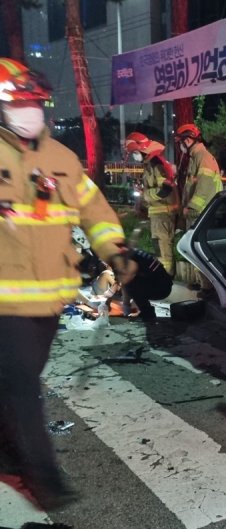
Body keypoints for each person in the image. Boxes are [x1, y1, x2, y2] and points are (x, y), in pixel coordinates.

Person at [0, 58, 135, 508]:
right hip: (4, 303)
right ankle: (44, 479)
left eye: (35, 102)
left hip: (51, 300)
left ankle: (7, 448)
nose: (30, 111)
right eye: (19, 103)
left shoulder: (61, 159)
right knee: (23, 389)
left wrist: (115, 249)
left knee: (17, 383)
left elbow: (94, 211)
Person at [174, 123, 222, 296]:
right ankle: (204, 285)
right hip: (199, 214)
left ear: (188, 140)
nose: (179, 146)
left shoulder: (202, 157)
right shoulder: (197, 157)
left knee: (200, 251)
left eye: (180, 142)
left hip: (200, 214)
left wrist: (191, 208)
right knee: (196, 252)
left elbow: (204, 189)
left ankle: (208, 288)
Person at [124, 132, 179, 275]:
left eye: (135, 152)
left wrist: (145, 194)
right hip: (158, 214)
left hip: (163, 213)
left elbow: (165, 189)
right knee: (159, 247)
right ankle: (164, 276)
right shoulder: (151, 164)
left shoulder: (156, 164)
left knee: (163, 247)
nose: (135, 156)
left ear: (142, 149)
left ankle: (166, 278)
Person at [123, 248, 174, 322]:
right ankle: (146, 313)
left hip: (161, 288)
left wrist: (126, 309)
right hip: (164, 285)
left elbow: (126, 283)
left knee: (131, 284)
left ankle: (147, 314)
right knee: (131, 283)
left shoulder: (127, 258)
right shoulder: (131, 252)